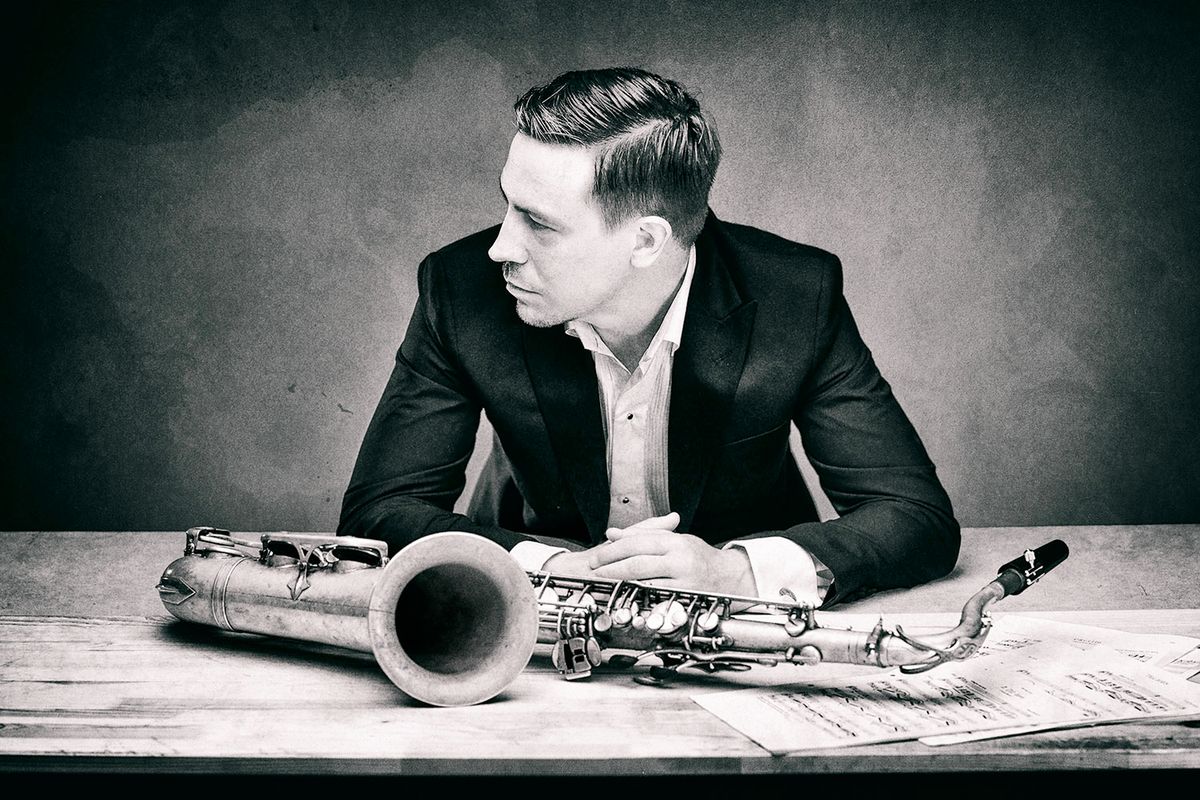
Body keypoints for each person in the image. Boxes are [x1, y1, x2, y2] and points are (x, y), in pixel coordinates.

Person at [337, 67, 959, 607]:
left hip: (740, 627)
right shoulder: (460, 289)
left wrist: (736, 572)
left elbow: (916, 517)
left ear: (645, 241)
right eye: (508, 204)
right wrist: (548, 568)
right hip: (525, 619)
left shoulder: (796, 296)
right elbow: (377, 513)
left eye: (539, 223)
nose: (501, 247)